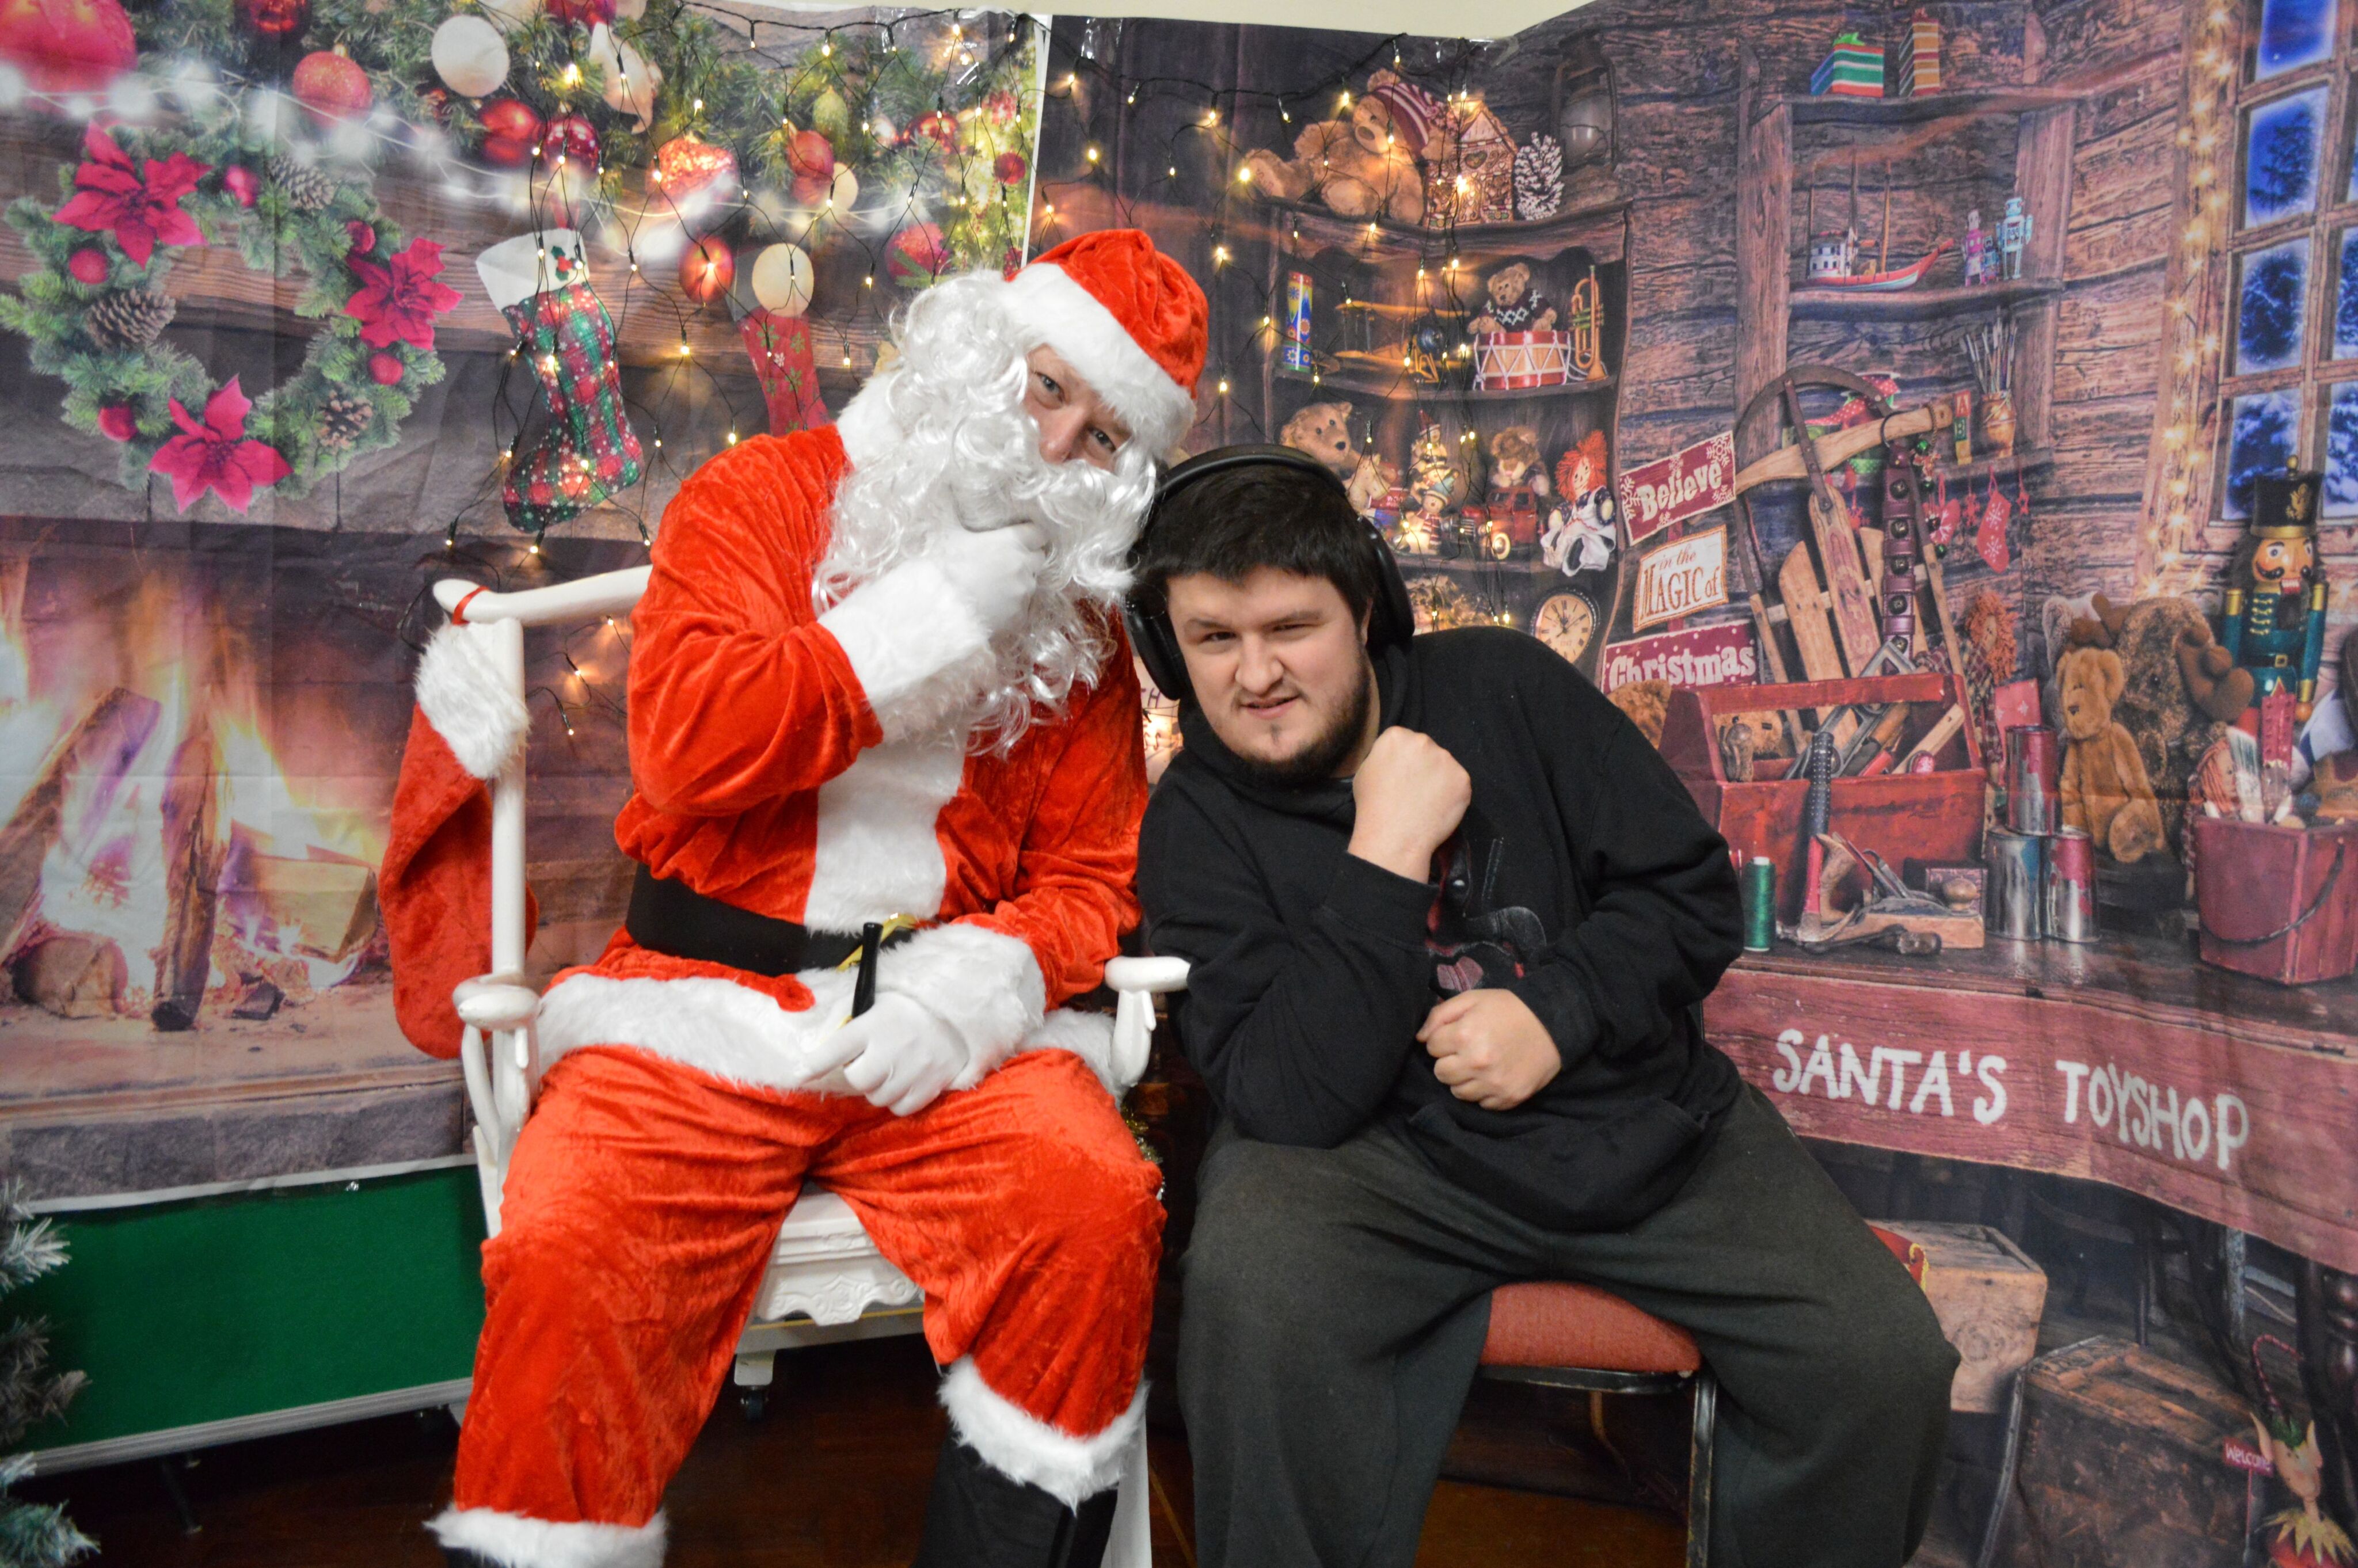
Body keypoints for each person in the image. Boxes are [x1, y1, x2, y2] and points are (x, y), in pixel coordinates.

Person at [379, 229, 1208, 1568]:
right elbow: (690, 748)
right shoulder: (756, 498)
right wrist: (929, 611)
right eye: (1047, 390)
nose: (1056, 452)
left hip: (940, 1029)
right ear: (976, 355)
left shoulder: (1080, 629)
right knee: (569, 1247)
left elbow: (1088, 880)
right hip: (691, 1012)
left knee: (1093, 1205)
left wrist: (974, 990)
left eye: (1104, 438)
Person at [1130, 448, 1957, 1568]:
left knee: (1878, 1362)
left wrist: (1554, 1013)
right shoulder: (1194, 819)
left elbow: (1690, 896)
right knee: (1252, 1298)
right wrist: (1384, 852)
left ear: (1365, 607)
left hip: (1639, 1122)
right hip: (1377, 1159)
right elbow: (1280, 1095)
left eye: (1291, 628)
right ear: (1166, 651)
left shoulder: (1503, 685)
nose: (1255, 674)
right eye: (1213, 640)